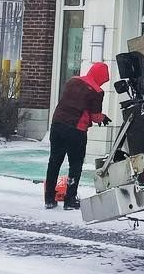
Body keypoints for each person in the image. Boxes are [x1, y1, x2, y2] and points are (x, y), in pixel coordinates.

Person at [46, 62, 109, 210]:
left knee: (54, 161)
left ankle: (49, 198)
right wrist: (103, 118)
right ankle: (70, 200)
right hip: (76, 130)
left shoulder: (72, 80)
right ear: (102, 77)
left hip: (57, 124)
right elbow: (95, 116)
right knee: (75, 165)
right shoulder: (97, 91)